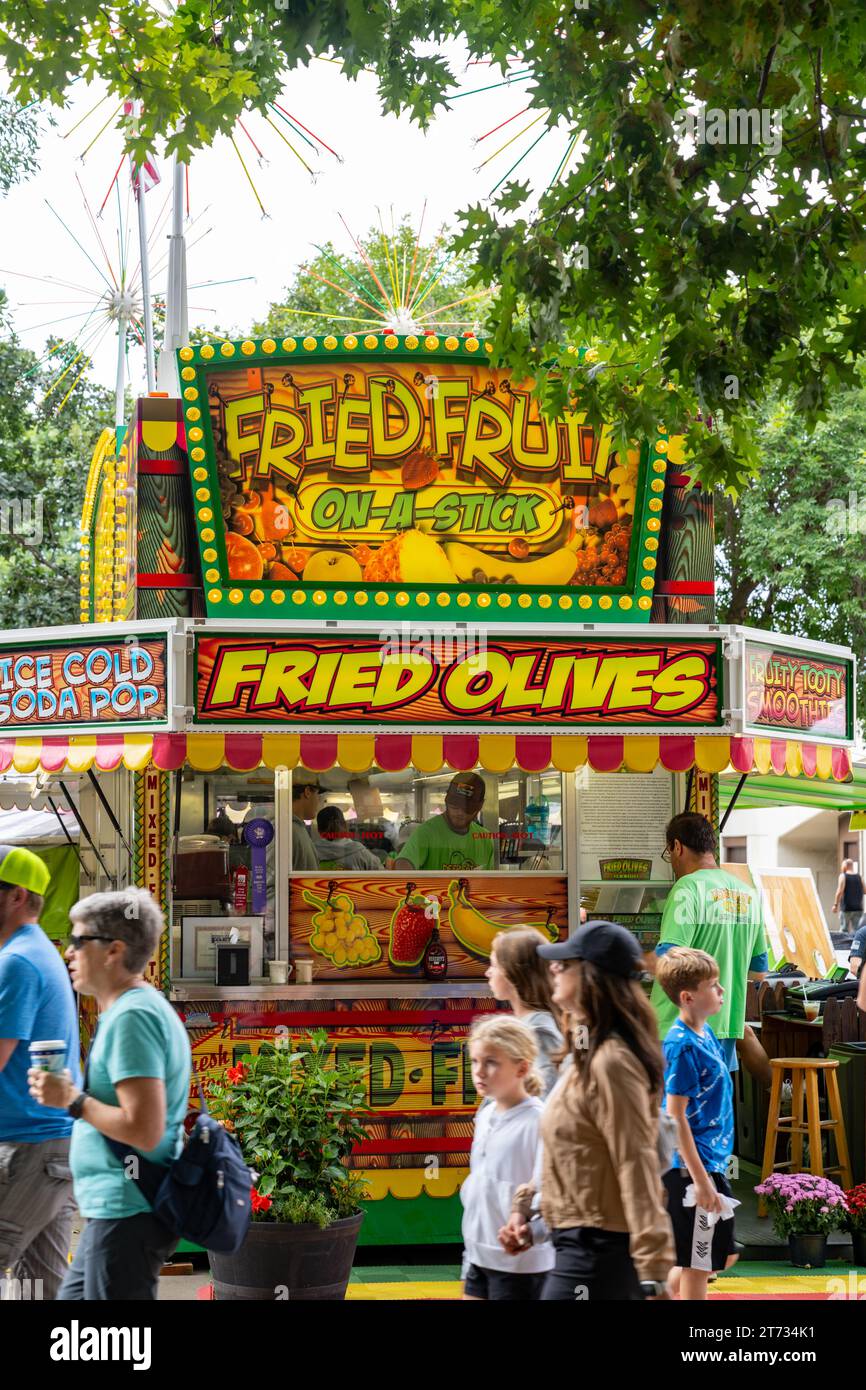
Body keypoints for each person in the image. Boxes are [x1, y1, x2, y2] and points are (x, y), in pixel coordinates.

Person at [29, 888, 192, 1301]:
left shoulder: (132, 1017)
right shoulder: (133, 1009)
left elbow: (145, 1129)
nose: (68, 952)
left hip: (128, 1210)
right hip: (116, 1211)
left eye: (79, 941)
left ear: (113, 950)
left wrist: (72, 1099)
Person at [500, 922, 674, 1301]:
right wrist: (530, 1213)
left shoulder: (611, 1061)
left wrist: (655, 1268)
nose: (554, 969)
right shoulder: (582, 1056)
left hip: (598, 1252)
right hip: (578, 1244)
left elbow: (635, 1159)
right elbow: (574, 1155)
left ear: (594, 976)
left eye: (568, 962)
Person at [0, 845, 80, 1300]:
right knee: (40, 1286)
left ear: (16, 896)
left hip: (32, 1151)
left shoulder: (18, 962)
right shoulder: (33, 952)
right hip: (51, 1148)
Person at [648, 813, 768, 1075]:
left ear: (677, 847)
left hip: (676, 1025)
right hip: (725, 1024)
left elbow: (669, 958)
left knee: (676, 1110)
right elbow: (759, 971)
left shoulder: (686, 889)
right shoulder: (748, 894)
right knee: (710, 1107)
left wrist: (632, 959)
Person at [655, 948, 737, 1301]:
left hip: (708, 1162)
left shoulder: (706, 1035)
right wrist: (702, 1181)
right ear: (688, 997)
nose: (721, 992)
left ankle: (653, 1290)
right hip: (693, 1168)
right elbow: (675, 1116)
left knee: (720, 1254)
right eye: (713, 985)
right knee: (699, 1263)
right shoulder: (683, 1046)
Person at [461, 1016, 553, 1300]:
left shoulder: (538, 1120)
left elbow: (546, 1187)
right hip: (479, 1251)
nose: (480, 1071)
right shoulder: (486, 1114)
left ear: (522, 1067)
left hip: (521, 1263)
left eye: (491, 1062)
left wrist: (529, 1229)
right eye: (475, 1061)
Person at [486, 929, 564, 1095]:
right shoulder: (530, 1025)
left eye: (494, 965)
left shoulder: (538, 1033)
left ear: (512, 972)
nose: (488, 972)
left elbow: (545, 1099)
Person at [394, 773, 495, 872]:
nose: (459, 812)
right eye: (454, 806)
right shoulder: (426, 832)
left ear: (480, 805)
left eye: (467, 809)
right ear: (446, 800)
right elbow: (403, 864)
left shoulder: (485, 838)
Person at [312, 806, 383, 871]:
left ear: (319, 830)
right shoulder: (359, 851)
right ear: (344, 825)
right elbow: (381, 873)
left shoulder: (312, 851)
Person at [291, 774, 323, 870]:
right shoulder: (286, 830)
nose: (318, 800)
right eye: (318, 794)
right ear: (308, 792)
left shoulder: (297, 828)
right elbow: (272, 882)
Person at [833, 858, 865, 934]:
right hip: (858, 908)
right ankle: (856, 945)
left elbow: (840, 891)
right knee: (857, 931)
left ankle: (845, 946)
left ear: (845, 866)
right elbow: (865, 890)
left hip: (846, 908)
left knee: (844, 931)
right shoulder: (859, 877)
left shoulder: (843, 876)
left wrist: (835, 905)